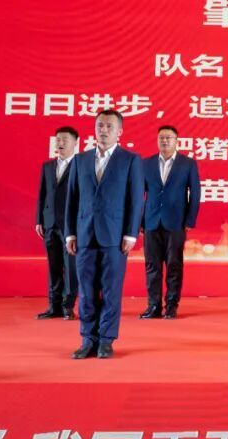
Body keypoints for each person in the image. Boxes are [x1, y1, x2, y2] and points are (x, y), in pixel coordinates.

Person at [65, 109, 144, 359]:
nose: (104, 130)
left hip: (115, 237)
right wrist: (70, 233)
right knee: (86, 290)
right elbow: (72, 200)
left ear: (120, 131)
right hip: (85, 235)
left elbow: (136, 200)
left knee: (110, 290)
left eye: (110, 126)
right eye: (100, 125)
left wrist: (131, 234)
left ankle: (106, 340)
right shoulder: (80, 160)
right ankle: (88, 339)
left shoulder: (130, 160)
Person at [141, 125, 200, 320]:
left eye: (168, 138)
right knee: (152, 266)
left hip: (176, 222)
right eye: (161, 138)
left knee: (174, 265)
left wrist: (190, 219)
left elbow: (195, 193)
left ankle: (172, 306)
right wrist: (139, 221)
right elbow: (139, 194)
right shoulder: (146, 163)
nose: (165, 141)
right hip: (151, 222)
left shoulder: (187, 164)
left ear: (176, 141)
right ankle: (153, 306)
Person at [35, 126, 80, 320]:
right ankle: (54, 306)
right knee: (53, 266)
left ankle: (68, 306)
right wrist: (39, 220)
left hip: (71, 225)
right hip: (50, 223)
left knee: (70, 267)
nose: (60, 143)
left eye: (64, 140)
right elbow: (42, 195)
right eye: (58, 140)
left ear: (75, 142)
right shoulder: (48, 166)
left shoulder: (81, 165)